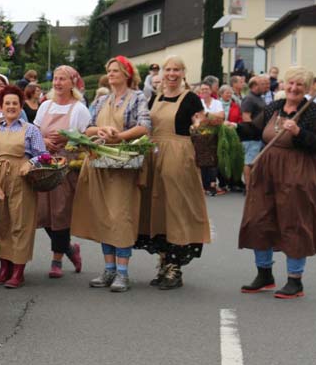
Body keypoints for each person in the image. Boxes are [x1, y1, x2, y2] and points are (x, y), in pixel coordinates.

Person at [238, 66, 316, 298]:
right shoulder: (274, 108)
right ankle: (264, 274)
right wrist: (229, 128)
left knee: (294, 222)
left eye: (299, 84)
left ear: (307, 88)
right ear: (283, 85)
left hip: (297, 174)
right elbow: (254, 130)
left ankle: (295, 280)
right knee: (259, 218)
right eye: (290, 83)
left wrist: (299, 132)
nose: (294, 88)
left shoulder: (313, 112)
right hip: (266, 171)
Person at [70, 56, 152, 292]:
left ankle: (123, 273)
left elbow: (145, 126)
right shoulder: (102, 99)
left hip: (124, 165)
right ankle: (109, 270)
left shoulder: (137, 97)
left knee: (120, 217)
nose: (112, 73)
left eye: (116, 70)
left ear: (127, 74)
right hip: (100, 165)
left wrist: (120, 136)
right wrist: (102, 130)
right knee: (105, 216)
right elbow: (88, 128)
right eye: (109, 70)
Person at [135, 56, 212, 289]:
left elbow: (202, 126)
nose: (171, 74)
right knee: (157, 208)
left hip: (179, 155)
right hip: (155, 153)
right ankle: (164, 262)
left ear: (183, 72)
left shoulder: (190, 99)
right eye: (168, 69)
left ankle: (175, 267)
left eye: (176, 70)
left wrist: (203, 124)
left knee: (176, 208)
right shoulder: (154, 97)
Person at [0, 86, 44, 288]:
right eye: (7, 103)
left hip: (21, 179)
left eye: (15, 104)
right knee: (0, 222)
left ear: (21, 107)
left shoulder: (31, 129)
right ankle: (4, 267)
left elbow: (43, 155)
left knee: (20, 222)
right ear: (1, 107)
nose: (11, 107)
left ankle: (18, 270)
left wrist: (31, 162)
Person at [34, 65, 89, 278]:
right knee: (44, 212)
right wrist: (44, 140)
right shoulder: (45, 106)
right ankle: (69, 249)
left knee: (60, 211)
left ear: (72, 83)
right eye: (56, 79)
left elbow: (86, 137)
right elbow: (35, 131)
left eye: (62, 79)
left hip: (67, 164)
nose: (57, 83)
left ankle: (56, 260)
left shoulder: (79, 109)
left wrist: (68, 138)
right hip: (46, 162)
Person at [240, 76, 268, 188]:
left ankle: (255, 185)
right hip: (251, 135)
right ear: (255, 86)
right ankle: (248, 186)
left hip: (260, 135)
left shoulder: (260, 98)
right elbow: (246, 116)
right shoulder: (249, 99)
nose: (265, 86)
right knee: (249, 161)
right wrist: (255, 130)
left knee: (256, 161)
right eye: (262, 84)